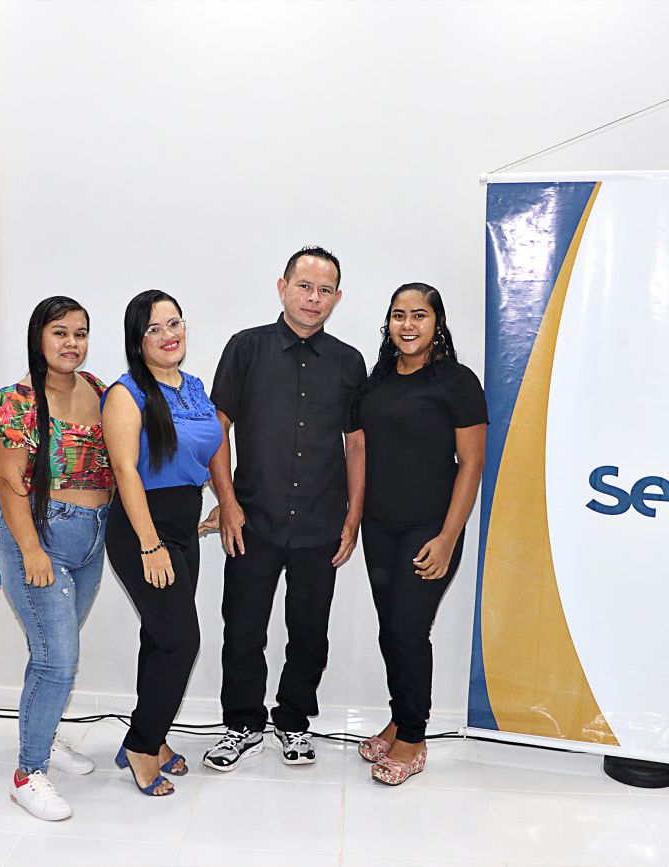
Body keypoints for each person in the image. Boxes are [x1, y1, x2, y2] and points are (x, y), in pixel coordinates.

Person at [201, 246, 367, 771]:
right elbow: (216, 429)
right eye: (304, 286)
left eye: (324, 290)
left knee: (309, 633)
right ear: (283, 287)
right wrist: (227, 504)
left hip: (321, 521)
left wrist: (354, 516)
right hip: (253, 519)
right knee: (243, 629)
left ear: (337, 298)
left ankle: (293, 720)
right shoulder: (246, 348)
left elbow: (356, 443)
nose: (313, 298)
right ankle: (242, 725)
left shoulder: (349, 362)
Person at [0, 296, 115, 821]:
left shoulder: (98, 389)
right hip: (41, 539)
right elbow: (7, 482)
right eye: (60, 332)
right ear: (39, 337)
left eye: (80, 333)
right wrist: (33, 550)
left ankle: (45, 735)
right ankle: (27, 773)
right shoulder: (15, 402)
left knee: (52, 654)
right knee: (57, 660)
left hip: (92, 539)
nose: (72, 343)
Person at [351, 283, 487, 786]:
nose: (407, 325)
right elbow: (360, 450)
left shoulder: (458, 382)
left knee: (409, 631)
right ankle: (399, 718)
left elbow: (471, 464)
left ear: (437, 323)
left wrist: (449, 537)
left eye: (419, 315)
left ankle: (413, 737)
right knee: (392, 630)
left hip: (430, 528)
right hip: (379, 526)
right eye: (398, 315)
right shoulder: (378, 380)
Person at [103, 289, 223, 796]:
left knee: (160, 637)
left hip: (183, 525)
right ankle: (141, 746)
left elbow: (208, 450)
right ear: (138, 340)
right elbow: (125, 469)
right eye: (154, 328)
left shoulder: (194, 388)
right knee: (181, 640)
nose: (169, 334)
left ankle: (150, 736)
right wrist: (150, 544)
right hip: (141, 529)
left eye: (175, 323)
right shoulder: (126, 392)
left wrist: (224, 502)